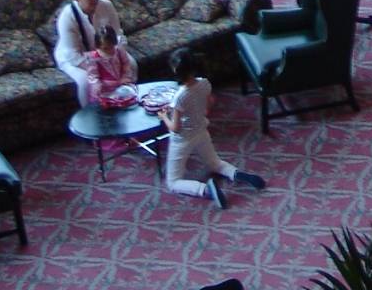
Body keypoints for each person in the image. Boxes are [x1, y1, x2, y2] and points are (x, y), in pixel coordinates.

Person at [161, 46, 265, 208]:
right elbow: (209, 105)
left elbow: (175, 127)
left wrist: (164, 117)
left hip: (182, 140)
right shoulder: (205, 83)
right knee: (214, 163)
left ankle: (205, 190)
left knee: (173, 182)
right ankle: (236, 173)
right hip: (201, 131)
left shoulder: (179, 97)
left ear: (176, 70)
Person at [54, 0, 125, 105]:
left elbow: (118, 35)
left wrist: (117, 58)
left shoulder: (107, 5)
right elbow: (73, 56)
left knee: (130, 65)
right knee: (86, 82)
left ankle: (126, 103)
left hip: (105, 52)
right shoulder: (67, 17)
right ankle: (89, 116)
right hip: (75, 59)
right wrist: (101, 67)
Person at [81, 23, 137, 108]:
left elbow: (126, 64)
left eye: (111, 47)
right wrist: (97, 85)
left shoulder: (119, 51)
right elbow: (93, 76)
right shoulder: (93, 58)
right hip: (105, 91)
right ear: (98, 47)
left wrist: (125, 77)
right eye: (105, 49)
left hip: (121, 86)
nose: (109, 51)